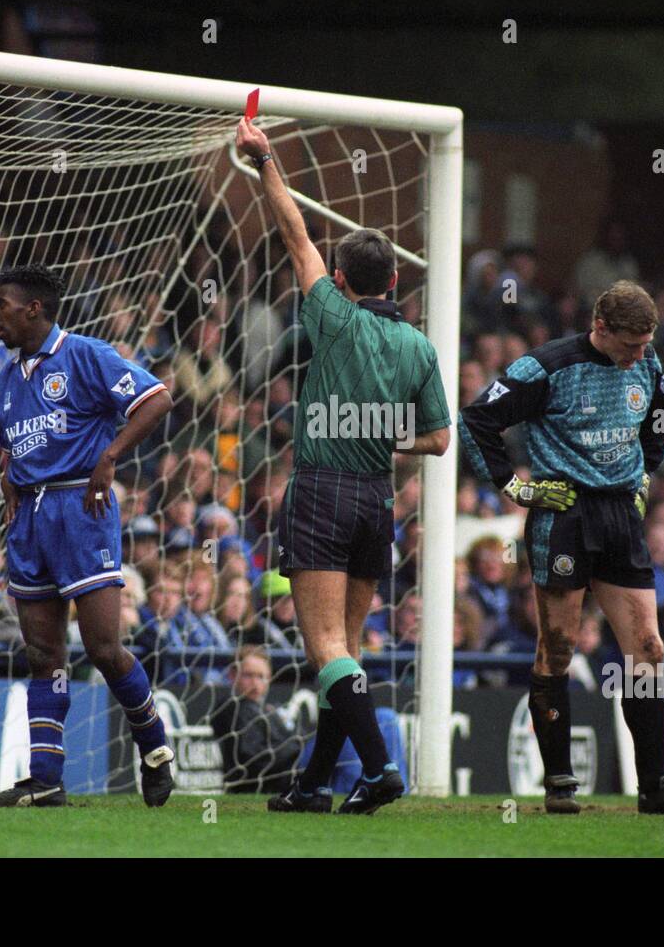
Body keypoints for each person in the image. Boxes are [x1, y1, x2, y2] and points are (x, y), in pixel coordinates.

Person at [235, 116, 451, 815]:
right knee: (346, 651)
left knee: (327, 646)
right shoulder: (419, 347)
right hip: (376, 501)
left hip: (323, 491)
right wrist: (395, 442)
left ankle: (382, 769)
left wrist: (265, 158)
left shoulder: (331, 314)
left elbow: (297, 234)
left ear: (345, 281)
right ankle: (311, 787)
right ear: (394, 278)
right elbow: (441, 441)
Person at [459, 280, 664, 816]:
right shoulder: (545, 367)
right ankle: (558, 783)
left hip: (621, 513)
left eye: (646, 345)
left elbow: (659, 421)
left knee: (648, 649)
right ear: (600, 328)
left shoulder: (646, 362)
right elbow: (477, 419)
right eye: (630, 345)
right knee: (558, 646)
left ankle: (655, 787)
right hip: (564, 514)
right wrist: (515, 487)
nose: (640, 356)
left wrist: (644, 475)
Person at [0, 264, 177, 809]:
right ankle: (45, 779)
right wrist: (8, 476)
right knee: (42, 653)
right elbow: (13, 441)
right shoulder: (4, 380)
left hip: (80, 509)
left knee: (103, 647)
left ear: (33, 309)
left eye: (1, 305)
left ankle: (155, 750)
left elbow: (157, 398)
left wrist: (110, 456)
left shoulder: (86, 355)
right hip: (30, 520)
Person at [210, 646, 301, 794]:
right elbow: (254, 758)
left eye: (261, 676)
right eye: (248, 675)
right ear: (233, 675)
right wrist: (297, 747)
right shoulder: (233, 708)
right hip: (259, 785)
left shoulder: (269, 709)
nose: (255, 682)